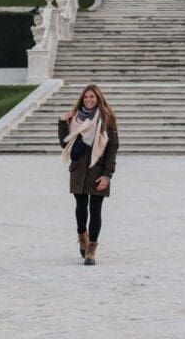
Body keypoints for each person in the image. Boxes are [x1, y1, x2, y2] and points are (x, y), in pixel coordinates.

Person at [58, 83, 118, 266]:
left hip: (98, 170)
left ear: (98, 99)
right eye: (86, 97)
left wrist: (108, 175)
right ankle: (81, 235)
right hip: (79, 171)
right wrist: (62, 122)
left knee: (95, 210)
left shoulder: (107, 119)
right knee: (81, 208)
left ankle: (91, 249)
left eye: (92, 97)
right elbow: (64, 144)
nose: (89, 100)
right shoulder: (75, 119)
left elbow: (112, 147)